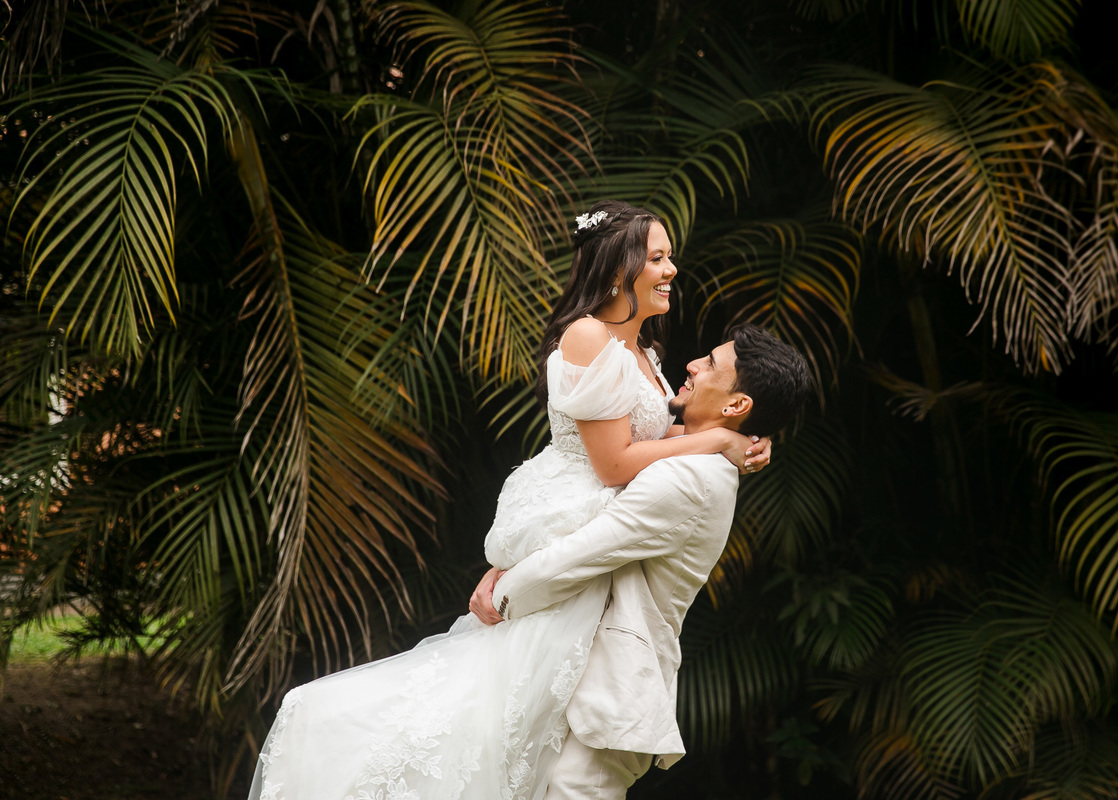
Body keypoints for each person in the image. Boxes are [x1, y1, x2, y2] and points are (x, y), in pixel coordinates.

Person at [246, 201, 771, 800]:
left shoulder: (644, 351)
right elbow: (613, 463)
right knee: (478, 705)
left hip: (597, 524)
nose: (671, 268)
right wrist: (718, 438)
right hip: (578, 506)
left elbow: (656, 440)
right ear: (617, 270)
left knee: (518, 719)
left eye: (668, 255)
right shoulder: (589, 336)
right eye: (657, 257)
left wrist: (742, 441)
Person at [470, 324, 812, 799]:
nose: (691, 365)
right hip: (570, 666)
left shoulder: (689, 479)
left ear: (737, 406)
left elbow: (579, 556)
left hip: (612, 698)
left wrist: (500, 595)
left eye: (711, 364)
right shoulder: (692, 459)